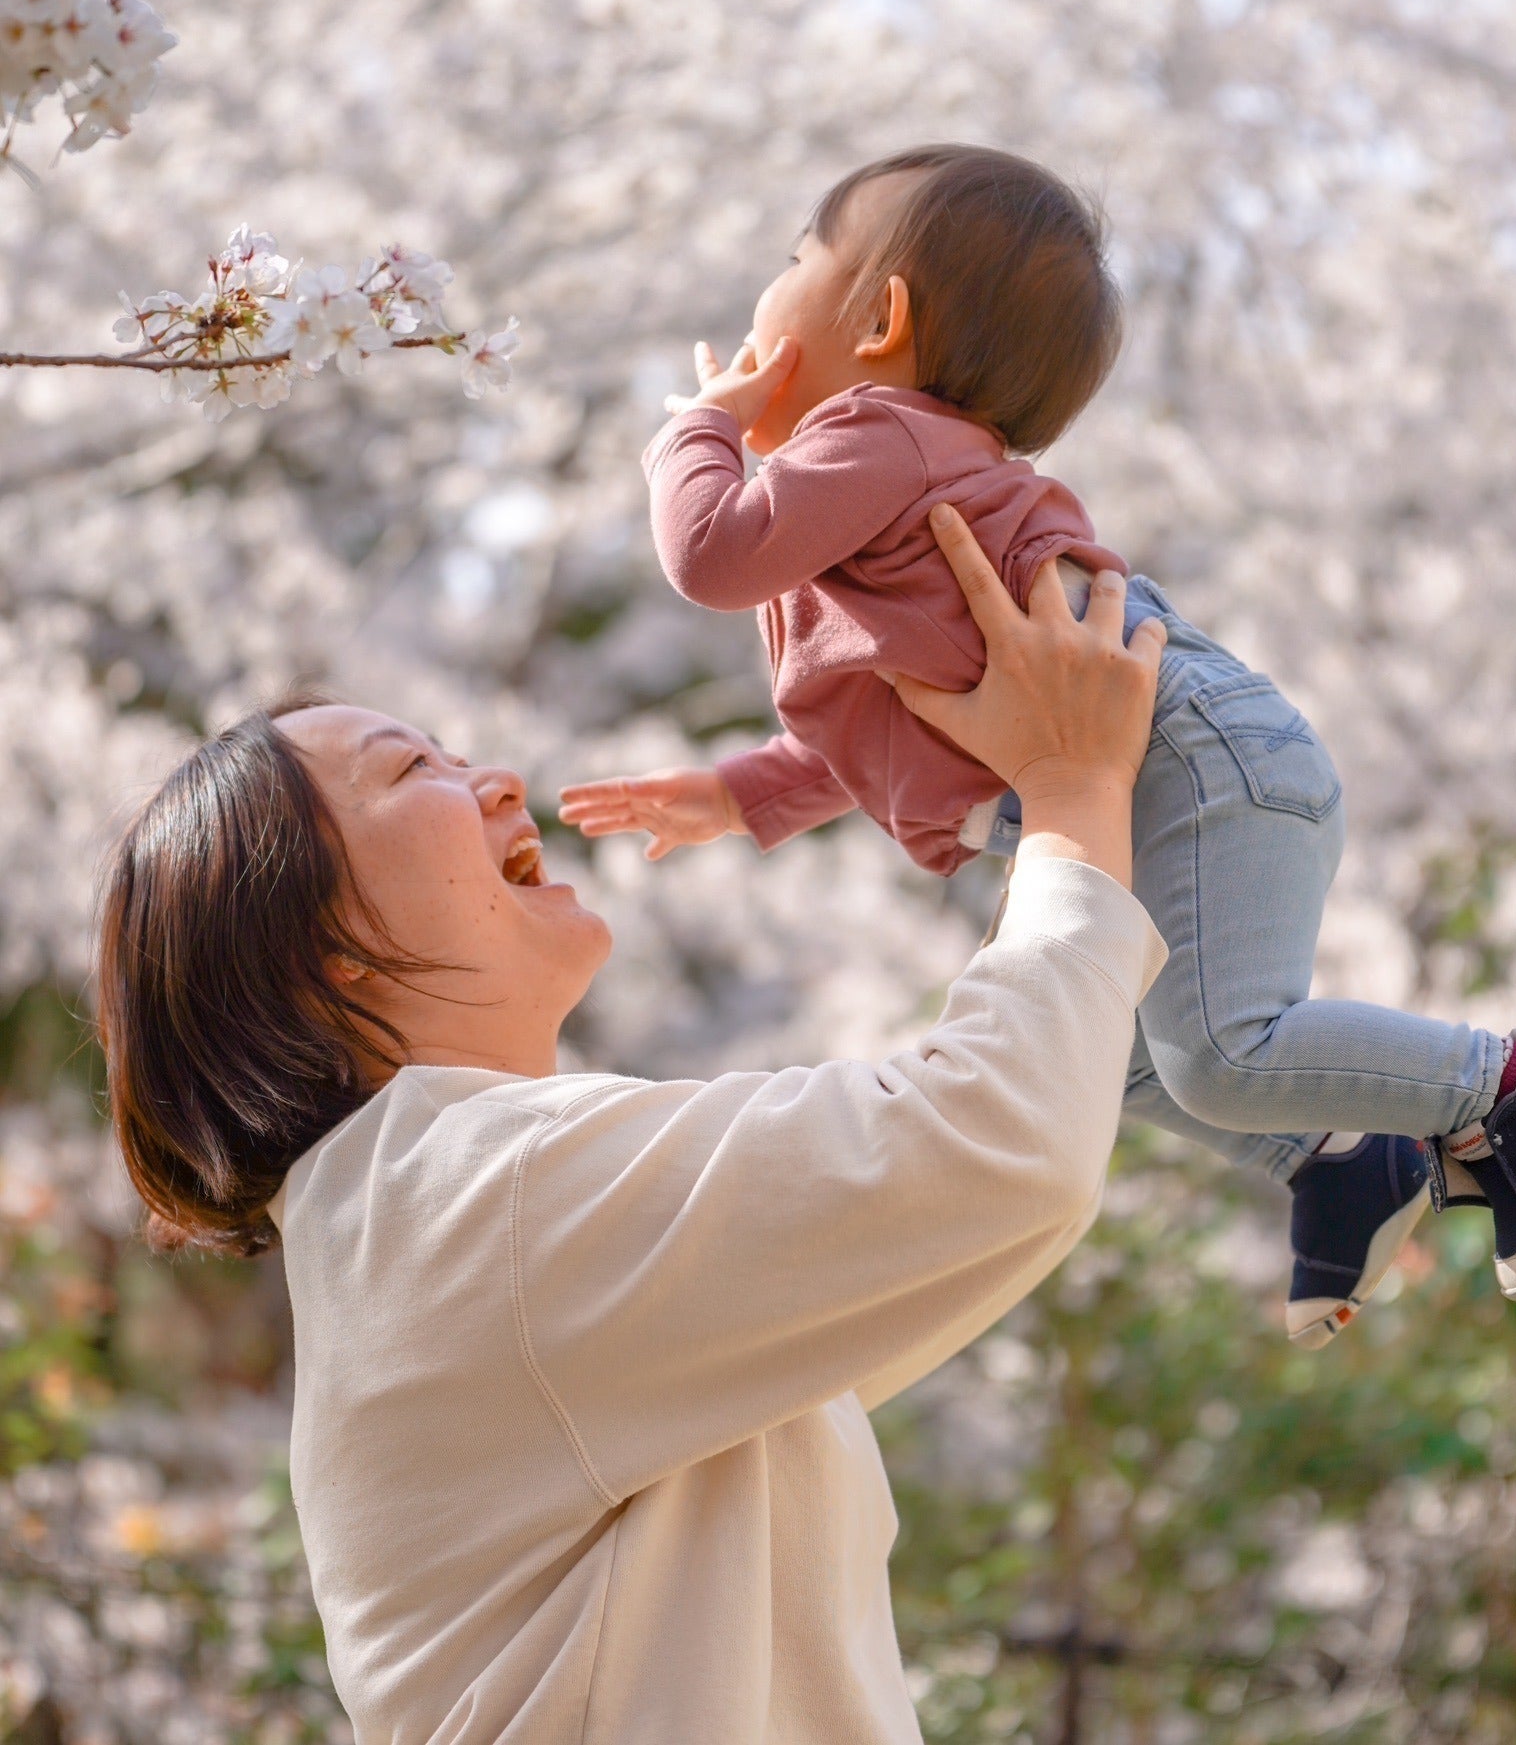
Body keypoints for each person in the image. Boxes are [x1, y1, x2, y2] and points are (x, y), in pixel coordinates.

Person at [96, 515, 1168, 1742]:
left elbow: (933, 1206)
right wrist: (1072, 786)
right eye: (408, 773)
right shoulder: (473, 1196)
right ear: (319, 952)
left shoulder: (431, 1211)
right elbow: (990, 1145)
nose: (497, 779)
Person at [560, 143, 1516, 1346]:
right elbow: (896, 720)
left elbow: (708, 554)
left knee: (1215, 1052)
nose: (768, 286)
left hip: (1192, 759)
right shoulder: (893, 493)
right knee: (1094, 1051)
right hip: (1169, 768)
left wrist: (698, 428)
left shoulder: (878, 433)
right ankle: (1342, 1159)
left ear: (881, 319)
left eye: (795, 254)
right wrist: (734, 792)